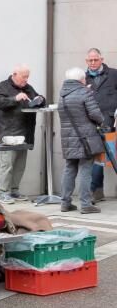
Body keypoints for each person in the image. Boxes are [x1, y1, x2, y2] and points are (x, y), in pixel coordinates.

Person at [0, 66, 46, 204]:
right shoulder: (3, 86)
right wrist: (15, 98)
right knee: (7, 165)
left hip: (25, 133)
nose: (26, 79)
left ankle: (14, 190)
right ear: (15, 74)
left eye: (28, 76)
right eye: (24, 76)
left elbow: (39, 99)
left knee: (20, 165)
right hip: (9, 134)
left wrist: (40, 99)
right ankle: (3, 192)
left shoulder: (28, 87)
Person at [60, 67, 104, 214]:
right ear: (81, 80)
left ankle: (65, 203)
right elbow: (95, 115)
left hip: (68, 137)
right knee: (86, 169)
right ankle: (85, 204)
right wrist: (102, 121)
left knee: (69, 168)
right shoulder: (85, 92)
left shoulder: (62, 94)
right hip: (85, 137)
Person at [84, 48, 117, 202]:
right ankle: (96, 190)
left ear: (101, 59)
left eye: (95, 60)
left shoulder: (113, 74)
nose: (92, 63)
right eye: (90, 60)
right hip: (89, 122)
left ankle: (96, 190)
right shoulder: (82, 78)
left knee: (111, 157)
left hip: (110, 122)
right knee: (96, 156)